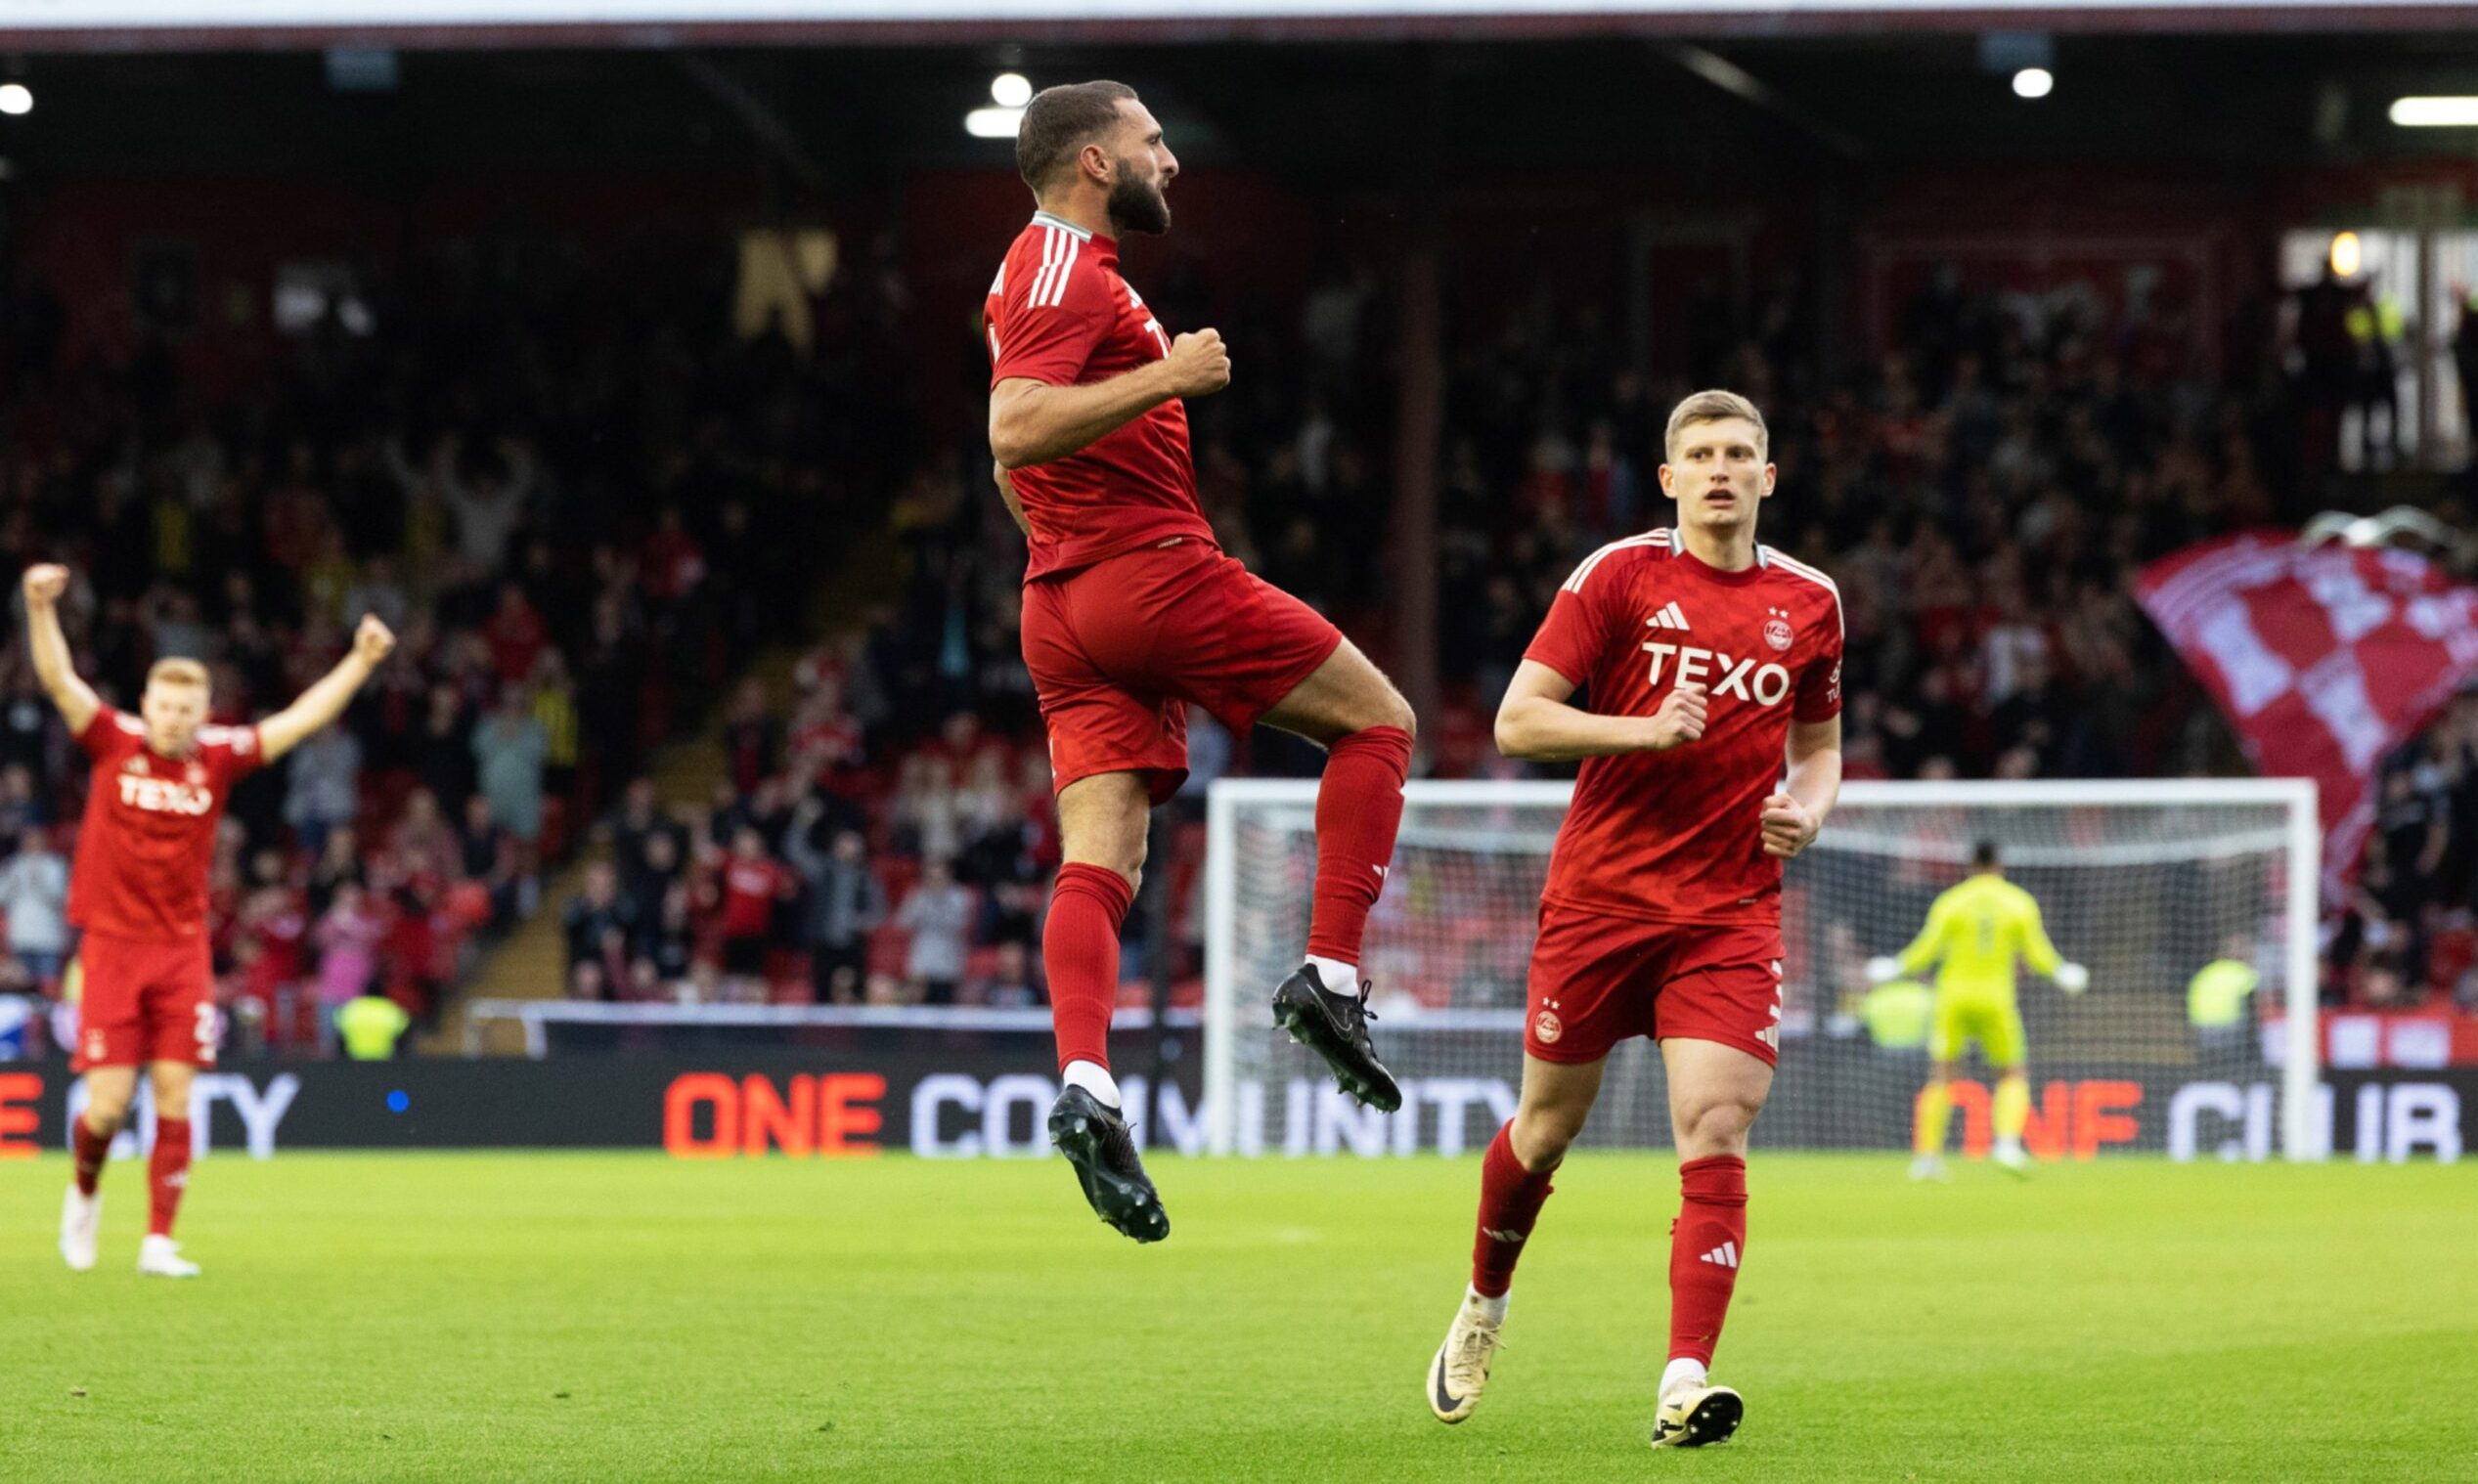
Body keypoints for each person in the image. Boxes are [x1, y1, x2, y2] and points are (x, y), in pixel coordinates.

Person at [988, 81, 1418, 1242]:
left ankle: (1087, 1083)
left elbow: (1013, 461)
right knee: (1378, 723)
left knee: (1102, 855)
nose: (1169, 162)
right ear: (1091, 161)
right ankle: (1328, 974)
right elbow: (1013, 429)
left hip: (1063, 601)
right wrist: (1171, 377)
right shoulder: (1059, 267)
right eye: (1152, 142)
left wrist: (1061, 535)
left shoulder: (1043, 278)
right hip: (1146, 575)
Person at [1426, 391, 1844, 1449]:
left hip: (1729, 912)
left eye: (1737, 453)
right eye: (1697, 453)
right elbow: (1518, 720)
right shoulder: (1615, 575)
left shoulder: (1810, 602)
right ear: (1666, 479)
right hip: (1601, 902)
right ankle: (1483, 1303)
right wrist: (1644, 733)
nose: (1718, 468)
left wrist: (1808, 809)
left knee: (1714, 1128)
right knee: (1545, 1128)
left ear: (1766, 475)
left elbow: (1820, 747)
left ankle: (1683, 1380)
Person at [26, 561, 394, 1278]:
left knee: (175, 1093)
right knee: (106, 1105)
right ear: (147, 705)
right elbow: (60, 681)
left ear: (203, 714)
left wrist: (359, 659)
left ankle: (159, 1240)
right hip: (109, 947)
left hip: (181, 951)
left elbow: (299, 720)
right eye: (165, 707)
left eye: (188, 710)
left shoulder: (218, 759)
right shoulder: (113, 742)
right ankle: (85, 1189)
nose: (176, 720)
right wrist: (38, 608)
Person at [1867, 839, 2088, 1181]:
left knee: (1942, 1075)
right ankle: (2007, 1144)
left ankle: (1927, 1159)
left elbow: (1927, 949)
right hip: (1996, 1000)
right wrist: (2062, 972)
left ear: (1969, 866)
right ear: (2000, 866)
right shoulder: (2018, 902)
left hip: (1952, 999)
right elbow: (2037, 953)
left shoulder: (1952, 901)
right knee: (2012, 1074)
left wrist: (1894, 967)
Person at [335, 987, 411, 1061]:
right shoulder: (391, 1009)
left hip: (354, 1058)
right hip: (384, 1059)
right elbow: (403, 1035)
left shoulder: (351, 1008)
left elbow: (340, 1034)